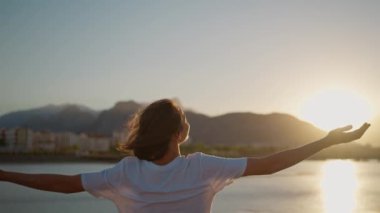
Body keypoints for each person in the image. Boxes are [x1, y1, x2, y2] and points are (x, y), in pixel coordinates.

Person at [0, 99, 371, 213]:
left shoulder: (125, 173)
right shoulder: (203, 167)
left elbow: (61, 184)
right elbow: (272, 164)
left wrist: (5, 175)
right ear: (179, 133)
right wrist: (325, 141)